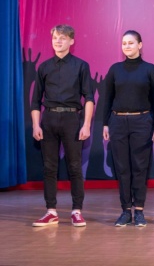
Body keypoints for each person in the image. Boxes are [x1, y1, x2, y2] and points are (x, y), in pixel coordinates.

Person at [31, 25, 95, 227]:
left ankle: (77, 211)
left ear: (71, 41)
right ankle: (51, 211)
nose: (58, 41)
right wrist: (36, 125)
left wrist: (86, 124)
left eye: (63, 38)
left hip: (72, 120)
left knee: (74, 166)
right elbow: (35, 101)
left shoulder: (81, 66)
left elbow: (89, 98)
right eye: (55, 38)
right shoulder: (44, 67)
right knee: (49, 167)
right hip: (48, 120)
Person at [103, 30, 154, 227]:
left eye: (131, 43)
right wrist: (105, 123)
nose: (127, 46)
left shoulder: (150, 70)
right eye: (124, 43)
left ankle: (140, 210)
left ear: (140, 45)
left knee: (140, 167)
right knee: (122, 168)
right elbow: (107, 98)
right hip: (117, 122)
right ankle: (125, 211)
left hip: (142, 122)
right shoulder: (115, 69)